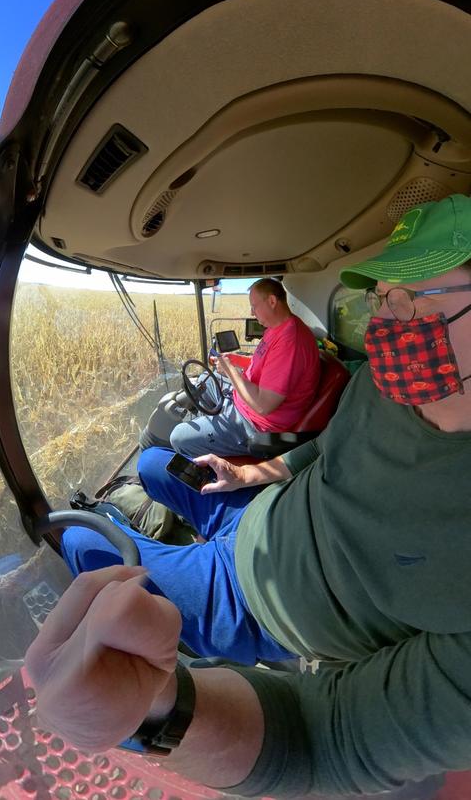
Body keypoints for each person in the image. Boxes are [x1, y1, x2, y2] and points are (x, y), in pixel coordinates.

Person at [25, 194, 471, 797]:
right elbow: (325, 449)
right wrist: (254, 476)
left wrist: (160, 708)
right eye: (379, 299)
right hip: (262, 512)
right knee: (158, 464)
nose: (384, 324)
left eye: (409, 299)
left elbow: (327, 741)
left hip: (255, 595)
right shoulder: (382, 384)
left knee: (80, 535)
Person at [168, 277, 321, 458]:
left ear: (272, 301)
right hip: (242, 401)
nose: (251, 311)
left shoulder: (291, 341)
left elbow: (263, 405)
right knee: (204, 380)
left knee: (178, 437)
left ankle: (211, 455)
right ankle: (211, 429)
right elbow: (264, 365)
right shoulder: (276, 327)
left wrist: (231, 371)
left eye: (254, 306)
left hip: (255, 423)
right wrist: (236, 360)